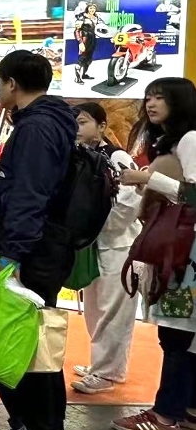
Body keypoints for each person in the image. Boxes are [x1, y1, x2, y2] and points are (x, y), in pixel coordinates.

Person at [0, 50, 78, 430]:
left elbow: (30, 195)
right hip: (44, 247)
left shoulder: (35, 128)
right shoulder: (56, 122)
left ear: (12, 84)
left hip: (28, 252)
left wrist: (12, 253)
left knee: (17, 341)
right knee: (39, 343)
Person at [111, 78, 196, 430]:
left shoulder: (190, 139)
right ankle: (186, 408)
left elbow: (193, 194)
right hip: (183, 250)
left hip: (185, 253)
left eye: (160, 97)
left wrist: (147, 179)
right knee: (184, 334)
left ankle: (164, 416)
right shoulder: (177, 141)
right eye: (149, 96)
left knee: (176, 332)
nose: (151, 103)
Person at [71, 102, 143, 395]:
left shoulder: (117, 157)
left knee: (114, 311)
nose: (77, 128)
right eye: (74, 123)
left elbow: (131, 200)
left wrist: (95, 225)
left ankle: (107, 372)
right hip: (92, 245)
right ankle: (103, 364)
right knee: (95, 309)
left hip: (119, 245)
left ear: (102, 126)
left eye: (83, 122)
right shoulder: (78, 156)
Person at [74, 3, 102, 84]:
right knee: (82, 58)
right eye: (90, 8)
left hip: (93, 40)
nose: (92, 10)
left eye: (93, 8)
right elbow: (77, 31)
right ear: (87, 8)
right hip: (84, 40)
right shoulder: (82, 17)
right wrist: (80, 42)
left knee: (89, 59)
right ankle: (77, 78)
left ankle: (84, 75)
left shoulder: (96, 18)